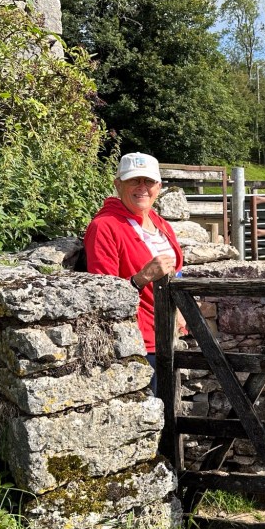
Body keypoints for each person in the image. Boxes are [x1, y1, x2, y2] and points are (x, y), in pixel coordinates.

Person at [84, 152, 183, 393]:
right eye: (133, 181)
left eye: (148, 181)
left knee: (171, 414)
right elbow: (102, 297)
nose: (142, 188)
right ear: (118, 185)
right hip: (138, 343)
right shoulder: (104, 227)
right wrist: (142, 277)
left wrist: (180, 312)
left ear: (158, 186)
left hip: (169, 336)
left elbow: (176, 270)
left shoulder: (160, 223)